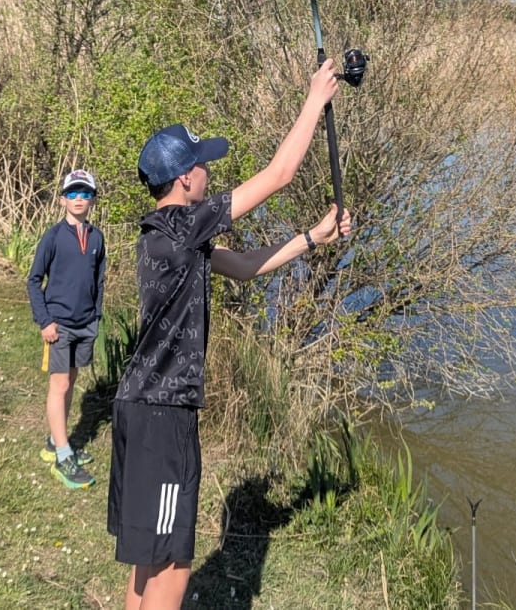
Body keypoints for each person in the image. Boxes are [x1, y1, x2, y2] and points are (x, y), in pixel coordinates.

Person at [107, 58, 351, 609]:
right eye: (204, 166)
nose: (210, 174)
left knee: (147, 560)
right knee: (173, 563)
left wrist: (311, 238)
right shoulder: (181, 224)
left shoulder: (163, 238)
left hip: (138, 408)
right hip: (165, 417)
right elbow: (277, 176)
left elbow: (241, 267)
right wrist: (315, 99)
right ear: (184, 179)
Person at [27, 169, 106, 490]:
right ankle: (62, 455)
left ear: (92, 200)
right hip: (58, 326)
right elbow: (34, 280)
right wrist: (45, 321)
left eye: (85, 194)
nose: (78, 199)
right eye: (72, 193)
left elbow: (99, 281)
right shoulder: (54, 236)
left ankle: (54, 441)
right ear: (62, 199)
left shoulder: (97, 237)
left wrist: (96, 318)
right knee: (59, 384)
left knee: (71, 380)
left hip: (85, 323)